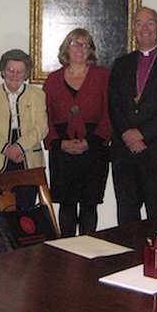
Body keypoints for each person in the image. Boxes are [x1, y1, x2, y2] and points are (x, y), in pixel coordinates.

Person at [109, 7, 157, 225]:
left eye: (150, 22)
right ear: (133, 29)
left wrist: (141, 133)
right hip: (125, 154)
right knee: (126, 217)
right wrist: (128, 134)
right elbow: (113, 104)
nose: (145, 28)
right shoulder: (121, 64)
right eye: (139, 23)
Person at [43, 29, 112, 237]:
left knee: (90, 206)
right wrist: (58, 143)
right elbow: (43, 115)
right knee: (67, 206)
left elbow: (111, 112)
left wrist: (91, 141)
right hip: (62, 151)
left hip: (94, 150)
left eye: (85, 44)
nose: (80, 48)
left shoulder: (103, 76)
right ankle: (66, 255)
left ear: (91, 50)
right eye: (75, 43)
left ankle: (87, 257)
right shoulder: (53, 80)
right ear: (66, 46)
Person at [0, 49, 48, 210]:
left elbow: (42, 127)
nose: (15, 75)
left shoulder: (37, 94)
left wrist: (19, 147)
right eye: (10, 70)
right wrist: (6, 148)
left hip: (28, 158)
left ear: (26, 74)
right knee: (0, 214)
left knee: (27, 214)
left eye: (20, 71)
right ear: (3, 71)